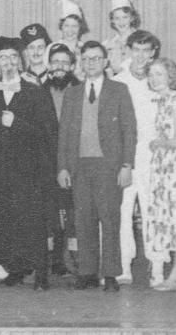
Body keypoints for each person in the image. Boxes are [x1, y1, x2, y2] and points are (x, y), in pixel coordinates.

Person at [57, 41, 136, 292]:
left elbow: (129, 130)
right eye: (86, 59)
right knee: (83, 220)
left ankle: (111, 273)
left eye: (96, 58)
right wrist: (63, 167)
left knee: (110, 219)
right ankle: (87, 272)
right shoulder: (72, 93)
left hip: (108, 166)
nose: (91, 63)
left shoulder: (119, 90)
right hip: (80, 165)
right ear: (82, 62)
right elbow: (64, 134)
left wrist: (126, 164)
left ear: (105, 62)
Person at [0, 38, 58, 290]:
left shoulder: (34, 91)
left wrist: (17, 123)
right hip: (2, 169)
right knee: (8, 221)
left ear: (21, 60)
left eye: (13, 57)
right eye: (3, 57)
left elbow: (48, 132)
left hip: (29, 168)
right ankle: (16, 268)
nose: (9, 62)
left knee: (33, 222)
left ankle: (41, 274)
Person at [111, 30, 162, 286]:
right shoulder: (118, 81)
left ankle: (158, 266)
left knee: (154, 210)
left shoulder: (160, 78)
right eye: (136, 50)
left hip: (154, 156)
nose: (141, 56)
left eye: (146, 50)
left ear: (153, 52)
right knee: (123, 211)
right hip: (126, 156)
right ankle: (123, 265)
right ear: (128, 51)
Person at [145, 57, 176, 292]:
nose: (154, 79)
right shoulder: (162, 100)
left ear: (170, 76)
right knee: (169, 218)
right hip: (162, 166)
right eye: (151, 75)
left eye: (159, 74)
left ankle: (175, 275)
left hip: (174, 167)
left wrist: (159, 142)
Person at [42, 42, 80, 276]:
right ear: (48, 65)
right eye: (55, 62)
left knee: (75, 212)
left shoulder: (82, 90)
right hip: (47, 160)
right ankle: (55, 259)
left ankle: (76, 259)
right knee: (52, 214)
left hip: (75, 160)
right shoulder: (39, 90)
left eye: (64, 63)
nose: (59, 67)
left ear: (73, 66)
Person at [103, 0, 141, 75]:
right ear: (112, 21)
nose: (121, 22)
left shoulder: (141, 40)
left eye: (125, 17)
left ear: (132, 18)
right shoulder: (107, 45)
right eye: (117, 18)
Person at [56, 0, 88, 79]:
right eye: (67, 26)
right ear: (61, 27)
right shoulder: (53, 48)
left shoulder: (86, 48)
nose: (70, 30)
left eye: (74, 26)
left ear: (80, 28)